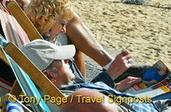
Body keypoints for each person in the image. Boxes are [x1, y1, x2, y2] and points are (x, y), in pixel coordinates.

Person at [21, 40, 171, 112]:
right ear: (49, 75)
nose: (69, 61)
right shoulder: (77, 100)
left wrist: (116, 88)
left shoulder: (55, 95)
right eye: (62, 61)